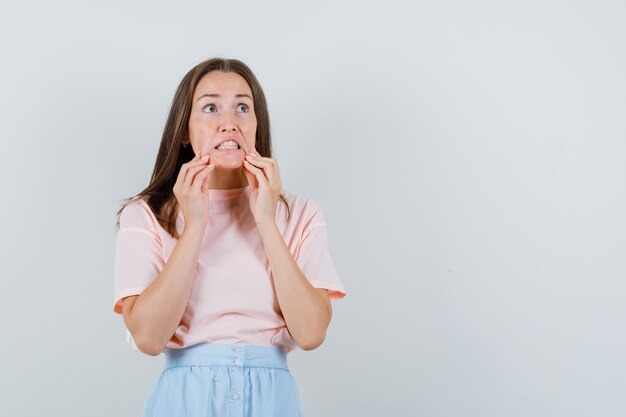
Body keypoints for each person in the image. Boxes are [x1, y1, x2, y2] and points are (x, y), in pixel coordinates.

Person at [112, 57, 347, 417]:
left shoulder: (299, 213)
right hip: (184, 399)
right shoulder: (147, 215)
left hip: (273, 399)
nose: (229, 123)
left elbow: (311, 333)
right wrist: (195, 225)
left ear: (256, 125)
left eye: (242, 107)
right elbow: (148, 337)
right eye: (210, 108)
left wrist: (266, 220)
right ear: (186, 132)